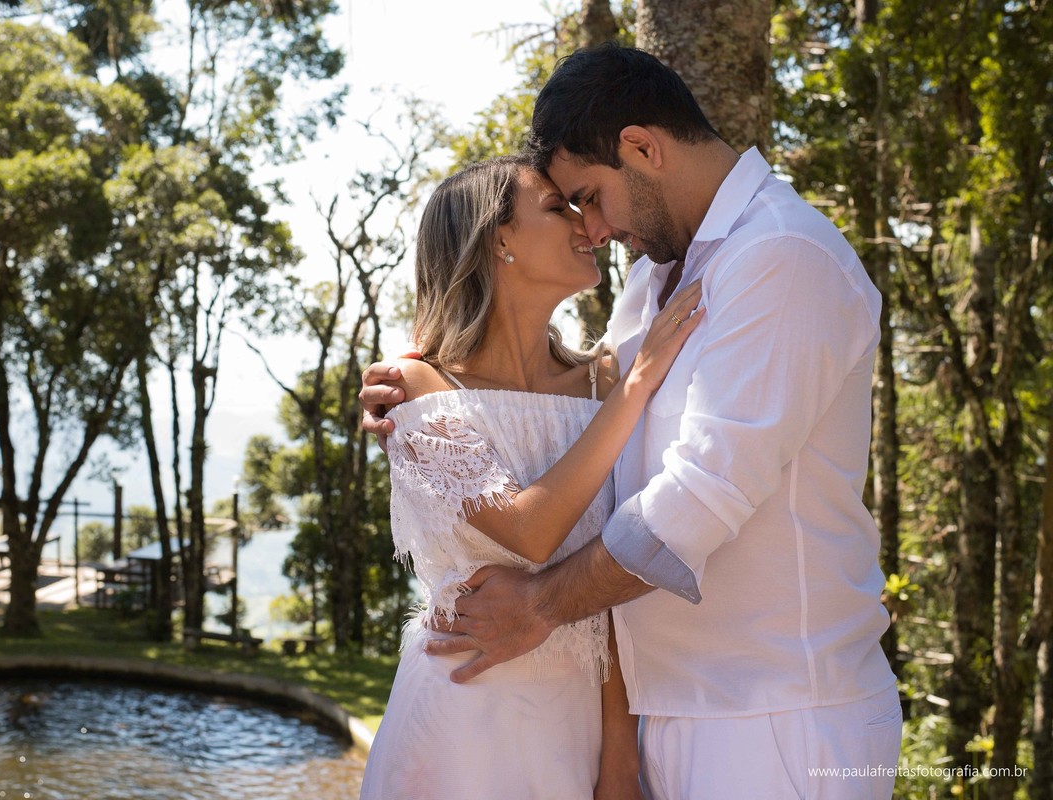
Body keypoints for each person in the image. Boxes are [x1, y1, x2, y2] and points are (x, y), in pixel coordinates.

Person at [361, 44, 902, 799]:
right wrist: (421, 392)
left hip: (774, 717)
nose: (591, 227)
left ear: (643, 149)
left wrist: (543, 602)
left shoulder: (780, 255)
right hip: (657, 714)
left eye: (587, 195)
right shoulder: (652, 281)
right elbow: (594, 438)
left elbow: (698, 495)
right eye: (566, 206)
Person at [358, 154, 703, 800]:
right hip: (457, 726)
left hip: (577, 732)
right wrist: (634, 389)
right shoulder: (417, 386)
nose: (583, 224)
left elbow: (605, 590)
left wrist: (620, 760)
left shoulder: (604, 379)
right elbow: (530, 532)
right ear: (499, 240)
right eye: (556, 207)